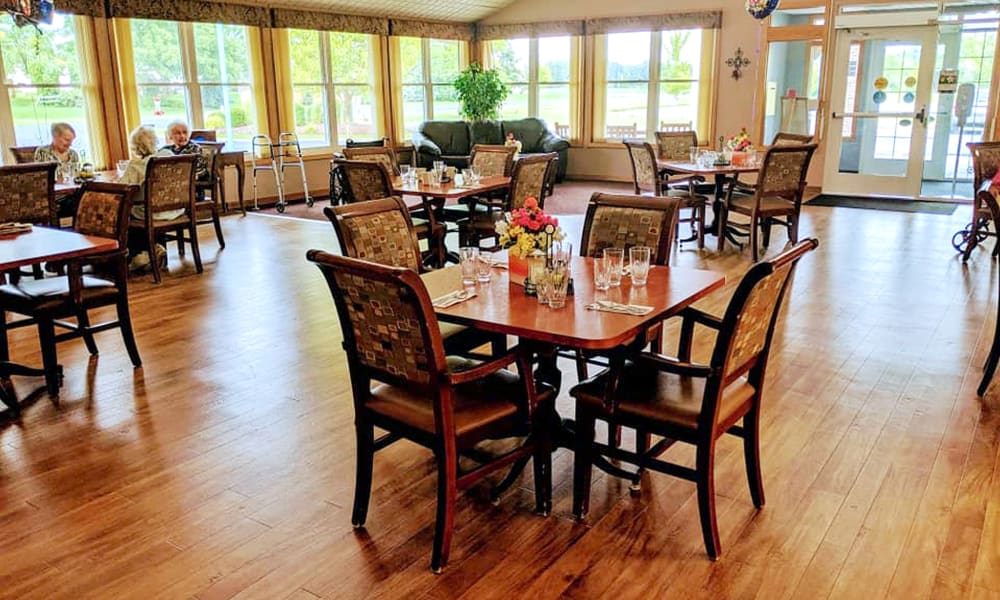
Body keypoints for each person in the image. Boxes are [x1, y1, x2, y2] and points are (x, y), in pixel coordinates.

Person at [120, 125, 176, 273]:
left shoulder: (137, 165)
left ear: (136, 147)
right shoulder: (169, 155)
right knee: (141, 208)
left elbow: (123, 188)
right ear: (155, 141)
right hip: (175, 209)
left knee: (124, 214)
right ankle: (155, 249)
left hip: (151, 213)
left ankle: (139, 255)